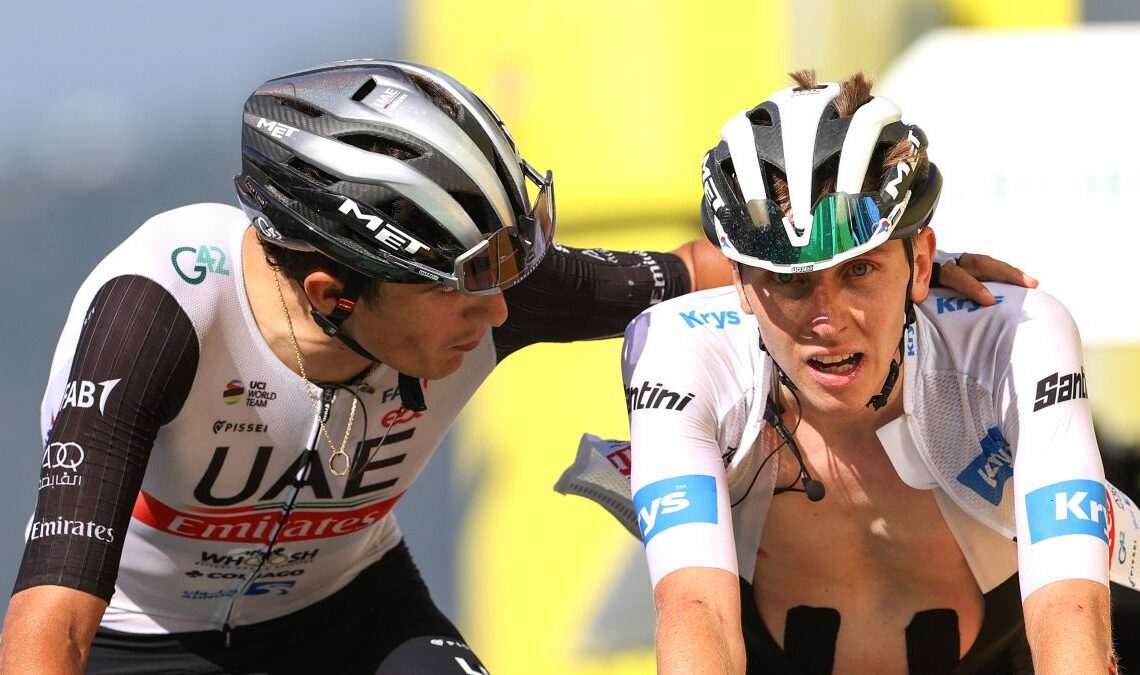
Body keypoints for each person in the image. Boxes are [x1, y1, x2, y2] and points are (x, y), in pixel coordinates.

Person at [0, 61, 1023, 674]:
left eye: (508, 278)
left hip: (349, 618)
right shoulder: (159, 310)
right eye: (463, 293)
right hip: (147, 640)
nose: (500, 313)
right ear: (332, 295)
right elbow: (53, 614)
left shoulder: (503, 287)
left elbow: (736, 262)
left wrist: (910, 274)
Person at [562, 71, 1140, 674]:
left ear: (921, 263)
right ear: (740, 285)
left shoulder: (1014, 336)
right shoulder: (677, 350)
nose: (826, 319)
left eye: (858, 272)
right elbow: (694, 608)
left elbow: (1070, 611)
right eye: (789, 281)